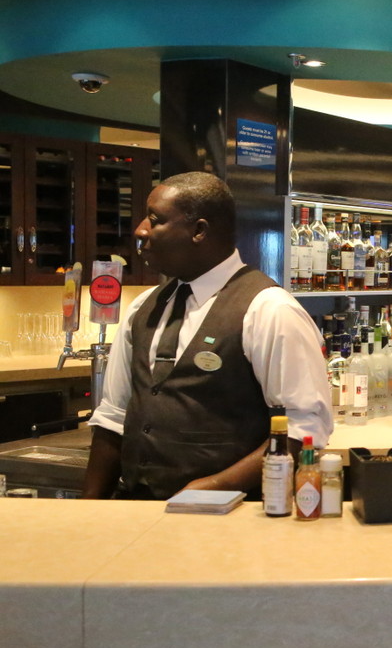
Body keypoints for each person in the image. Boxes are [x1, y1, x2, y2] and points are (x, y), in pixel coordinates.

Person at [83, 172, 333, 499]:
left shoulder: (269, 310)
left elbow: (304, 429)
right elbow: (114, 417)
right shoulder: (144, 307)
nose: (140, 230)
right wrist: (89, 507)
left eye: (155, 220)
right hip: (139, 508)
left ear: (199, 231)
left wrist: (213, 486)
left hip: (232, 514)